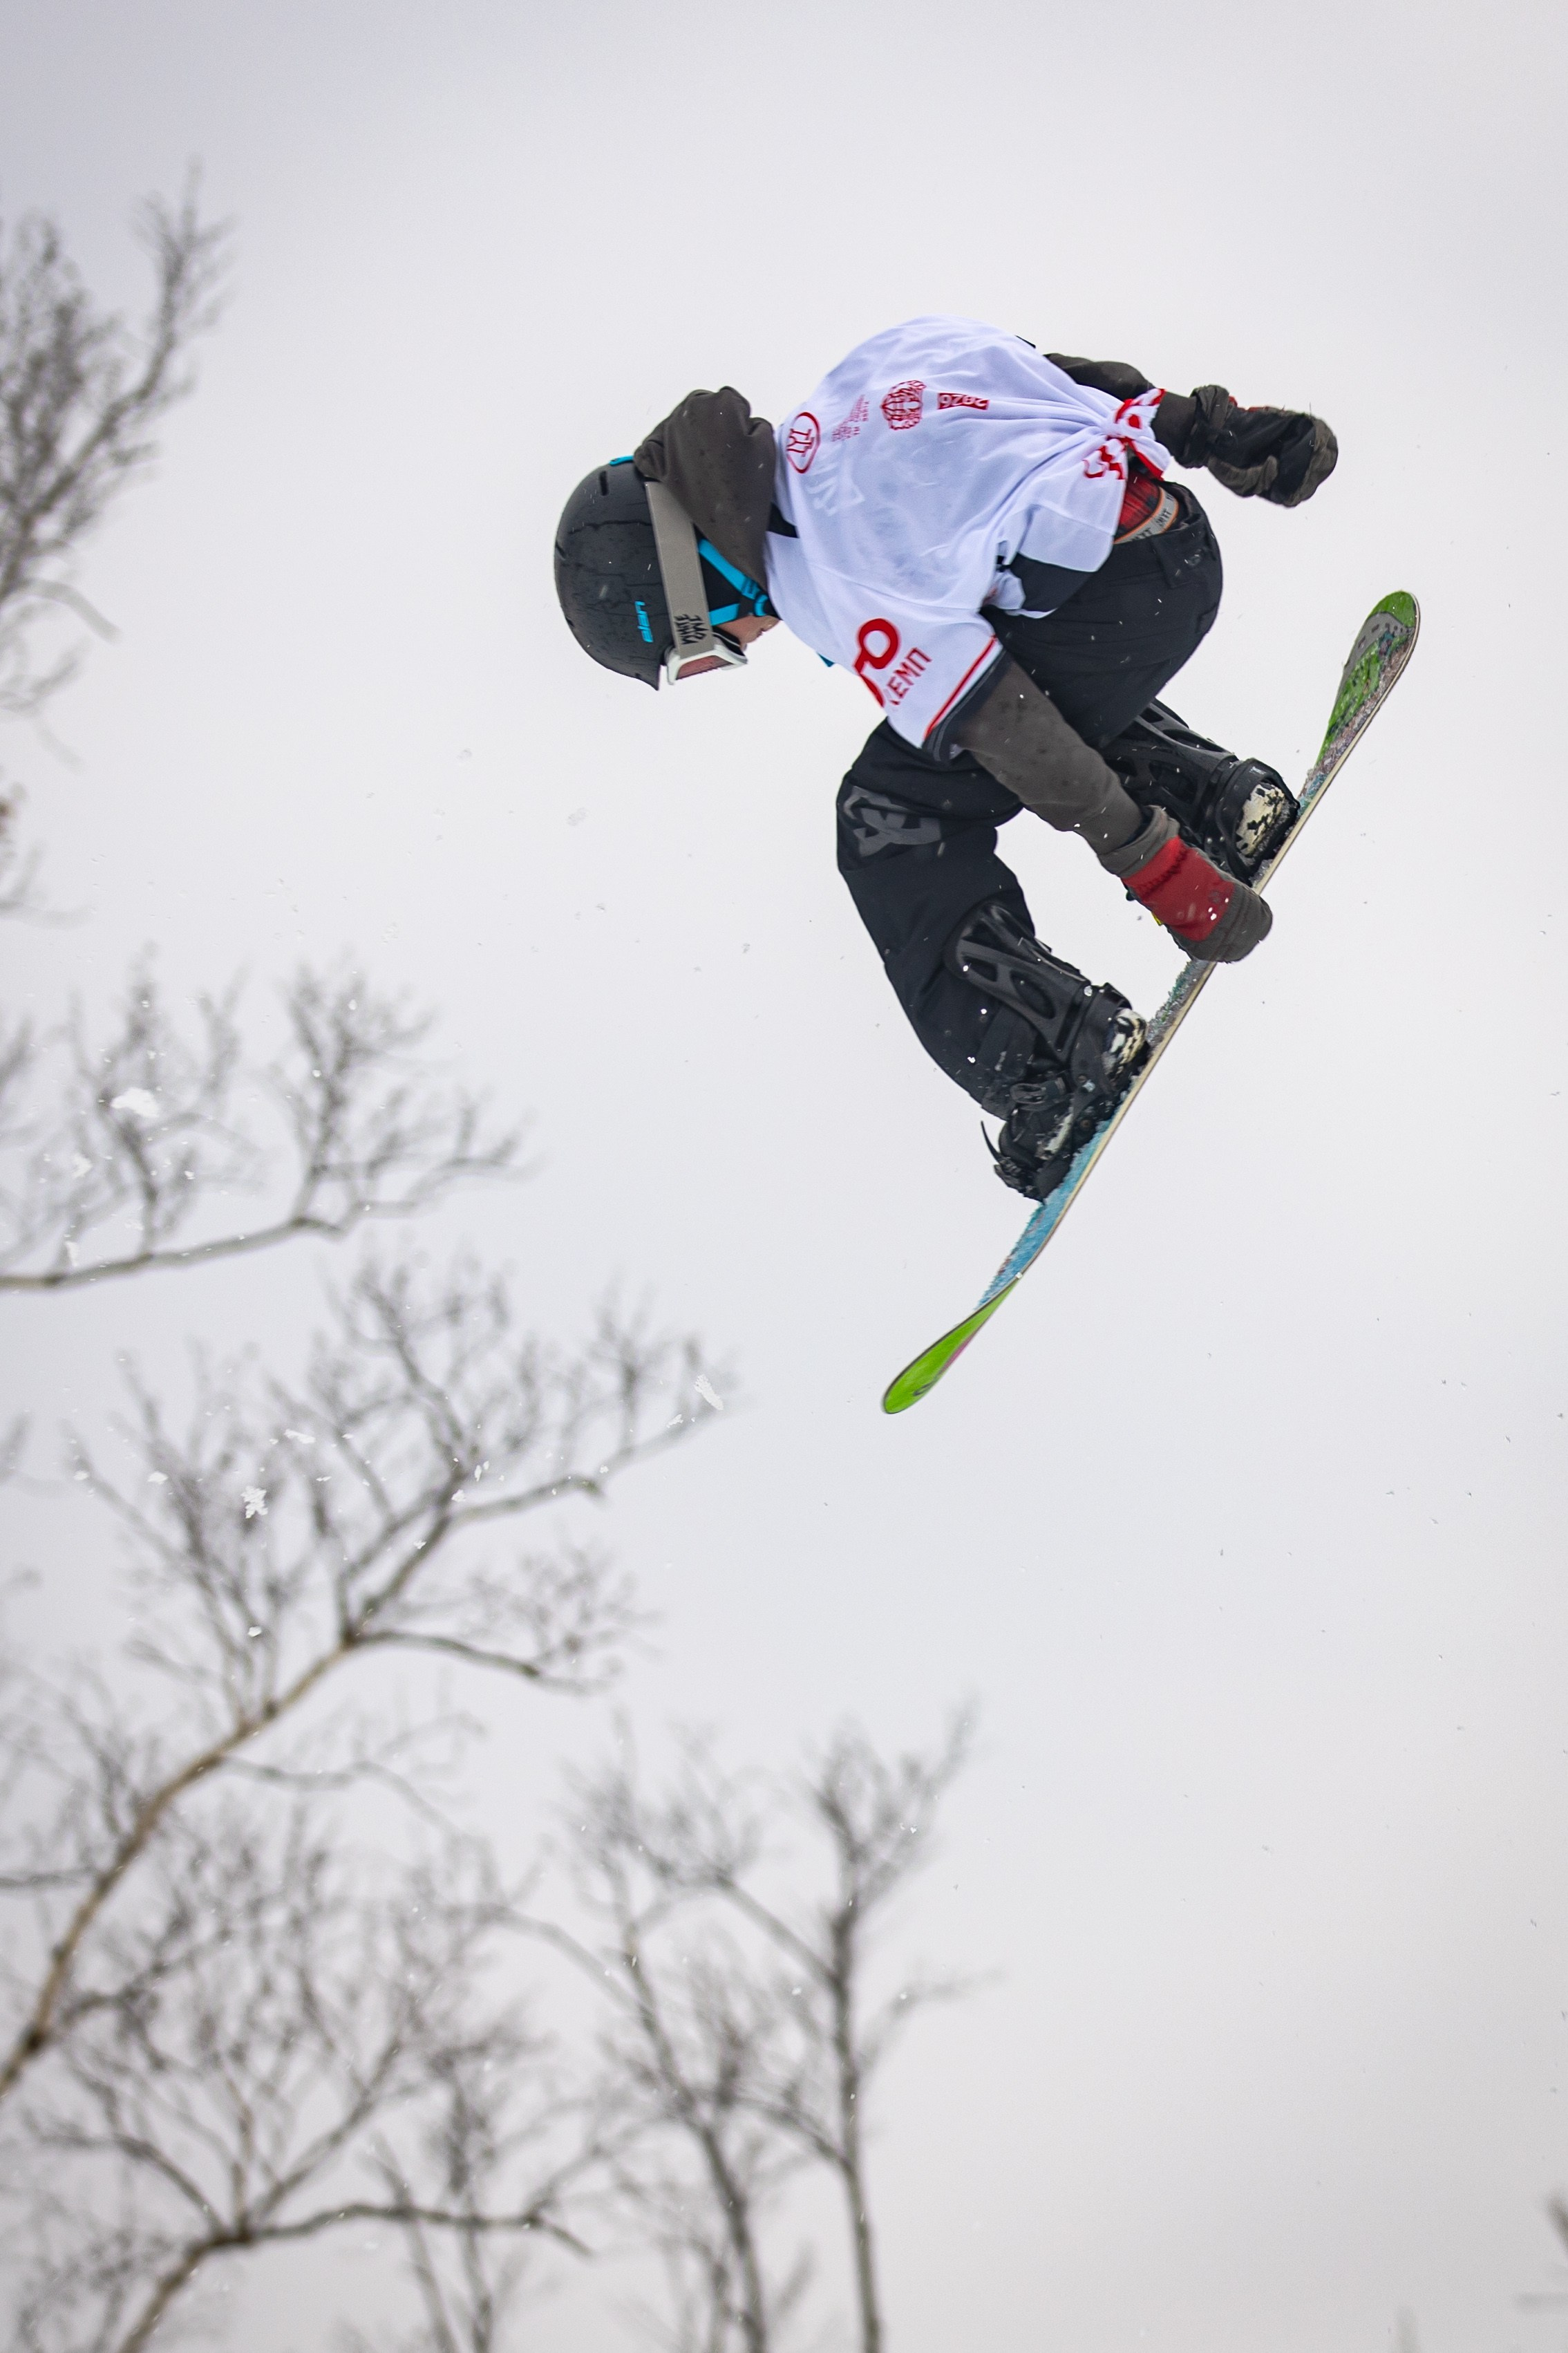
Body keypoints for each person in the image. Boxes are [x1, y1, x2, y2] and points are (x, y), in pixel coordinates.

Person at [554, 316, 1337, 1199]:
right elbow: (1047, 386)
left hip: (1122, 606)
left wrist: (1154, 868)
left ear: (690, 582)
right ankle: (1217, 796)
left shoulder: (834, 567)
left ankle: (1056, 1059)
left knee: (887, 816)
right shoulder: (853, 389)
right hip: (1173, 544)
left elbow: (1002, 720)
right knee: (993, 644)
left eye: (707, 650)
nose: (738, 652)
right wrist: (1209, 427)